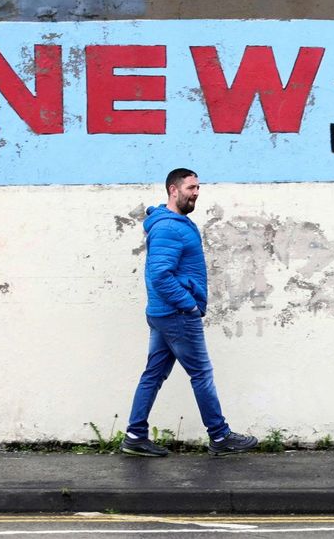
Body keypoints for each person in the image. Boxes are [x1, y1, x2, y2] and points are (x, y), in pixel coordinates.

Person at [120, 168, 258, 457]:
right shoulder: (168, 228)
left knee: (154, 374)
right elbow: (160, 274)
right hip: (176, 315)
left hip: (164, 314)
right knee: (201, 374)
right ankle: (220, 436)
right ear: (173, 190)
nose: (196, 193)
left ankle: (135, 435)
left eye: (198, 188)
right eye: (190, 188)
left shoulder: (176, 223)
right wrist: (189, 304)